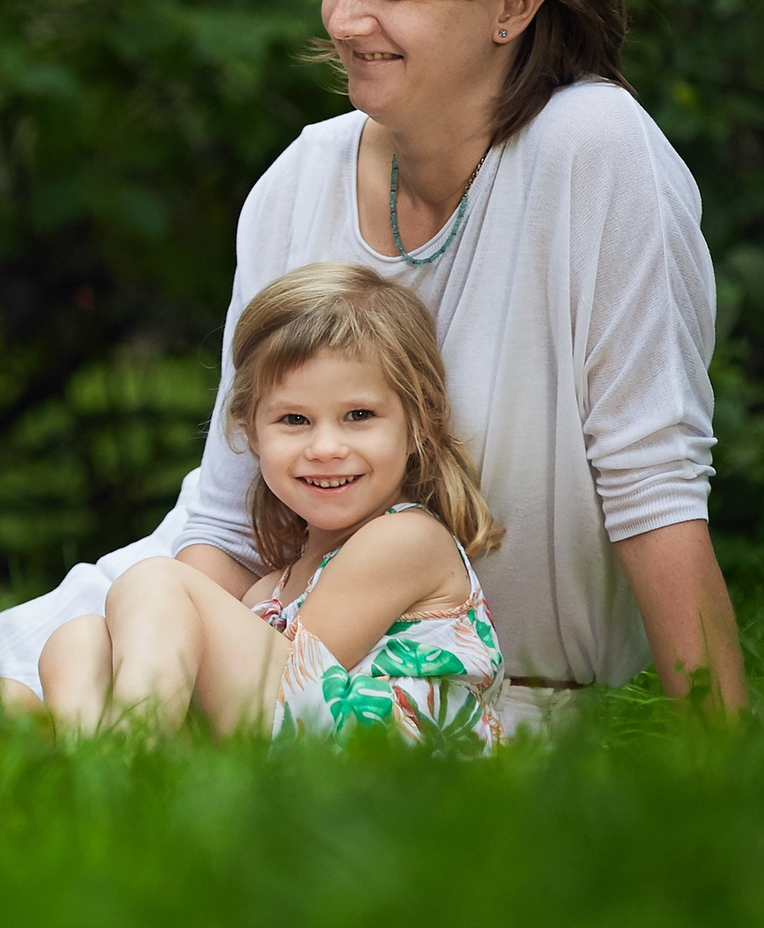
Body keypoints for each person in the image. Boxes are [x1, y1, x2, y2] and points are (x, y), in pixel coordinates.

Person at [0, 0, 746, 733]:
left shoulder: (594, 150)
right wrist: (190, 671)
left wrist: (730, 754)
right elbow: (229, 513)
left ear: (512, 7)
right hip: (249, 625)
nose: (347, 16)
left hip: (450, 694)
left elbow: (653, 479)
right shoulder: (302, 176)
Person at [34, 263, 505, 748]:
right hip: (294, 763)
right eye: (295, 419)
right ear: (251, 432)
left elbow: (287, 684)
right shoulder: (268, 590)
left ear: (421, 421)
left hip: (397, 774)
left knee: (157, 579)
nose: (325, 447)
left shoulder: (407, 539)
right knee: (77, 641)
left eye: (359, 415)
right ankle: (101, 779)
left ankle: (127, 762)